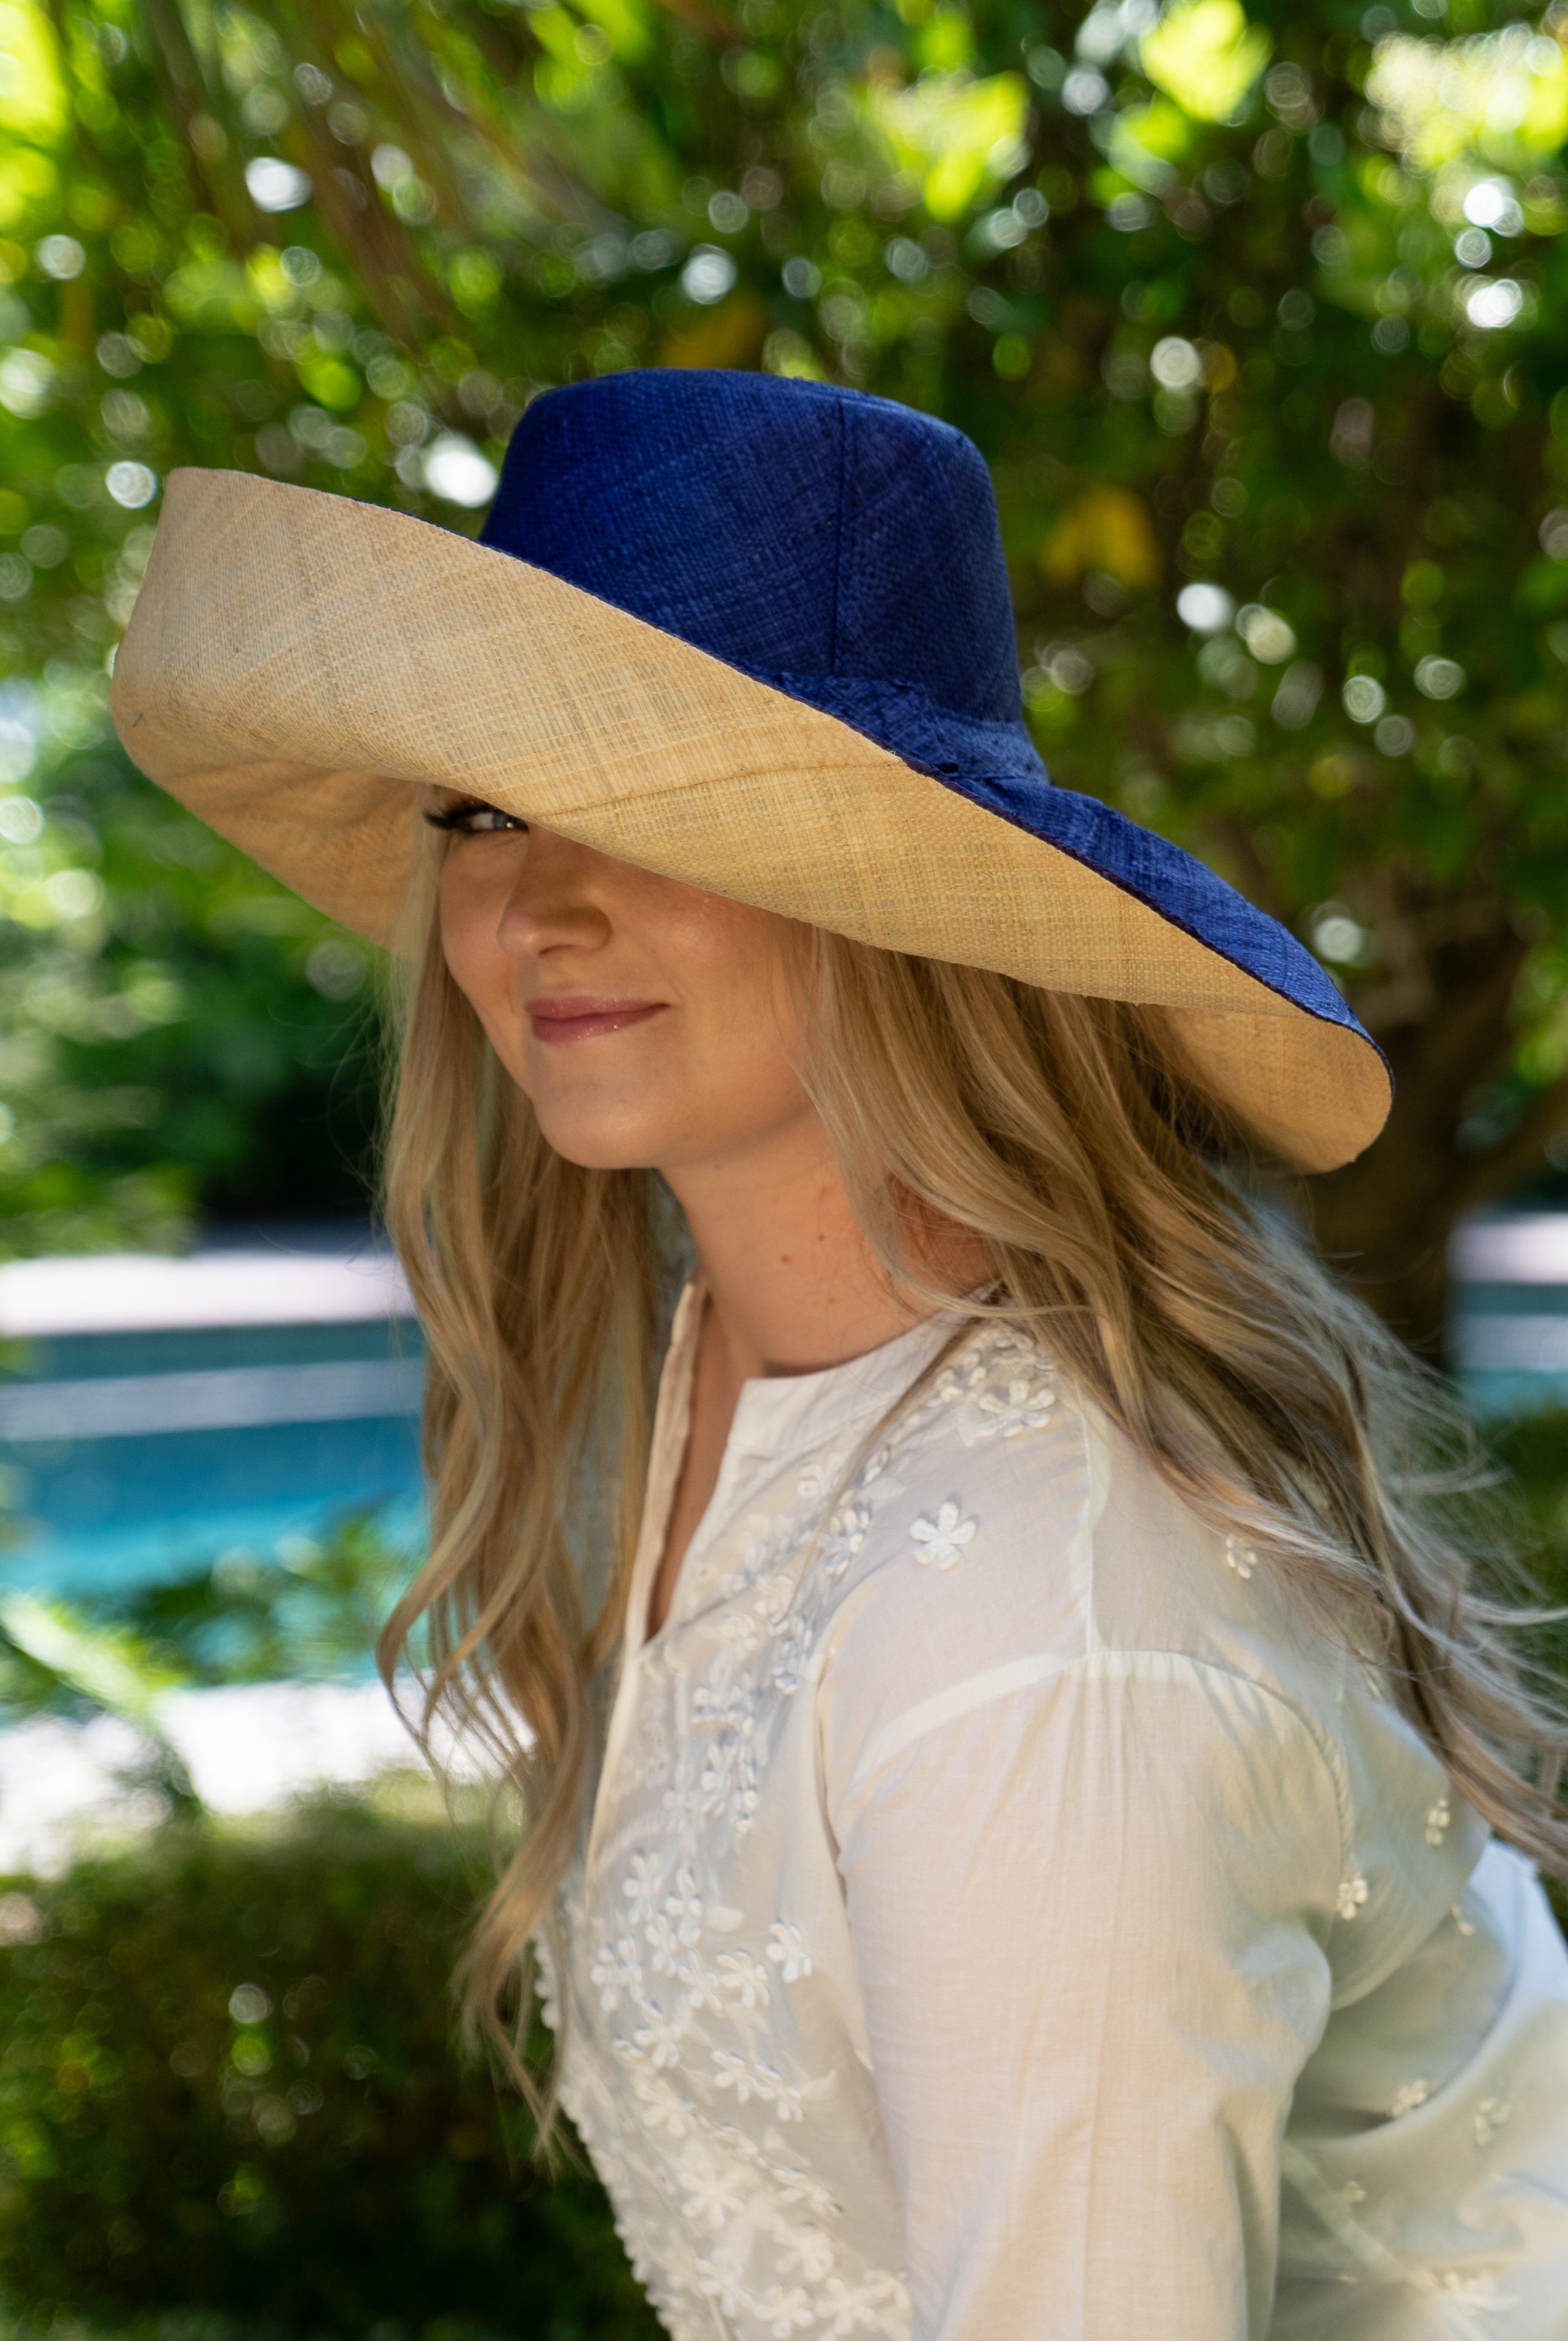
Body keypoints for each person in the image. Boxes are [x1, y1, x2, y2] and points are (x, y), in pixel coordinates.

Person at [114, 368, 1568, 2337]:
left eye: (646, 808)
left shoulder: (1036, 1635)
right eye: (481, 808)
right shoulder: (748, 1370)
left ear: (890, 899)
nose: (539, 903)